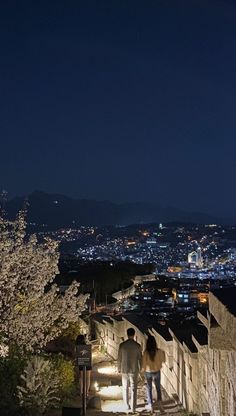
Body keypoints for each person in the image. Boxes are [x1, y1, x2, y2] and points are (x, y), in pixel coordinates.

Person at [118, 328, 142, 413]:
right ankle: (134, 407)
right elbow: (140, 358)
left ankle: (126, 405)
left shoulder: (122, 345)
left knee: (125, 388)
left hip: (124, 369)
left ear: (127, 334)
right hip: (134, 369)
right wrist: (141, 369)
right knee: (134, 388)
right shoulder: (138, 346)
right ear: (134, 334)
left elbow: (119, 358)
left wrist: (118, 368)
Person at [142, 335, 166, 411]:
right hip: (157, 371)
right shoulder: (159, 351)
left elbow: (144, 363)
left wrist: (143, 372)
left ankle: (150, 404)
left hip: (148, 372)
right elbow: (164, 360)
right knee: (158, 388)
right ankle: (160, 404)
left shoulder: (146, 352)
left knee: (149, 388)